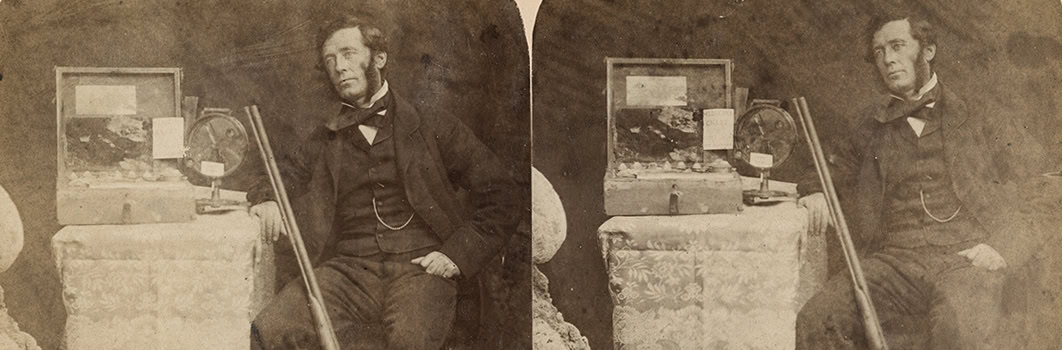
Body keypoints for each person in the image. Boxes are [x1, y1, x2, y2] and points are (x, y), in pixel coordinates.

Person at [248, 14, 519, 350]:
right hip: (348, 271)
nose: (339, 67)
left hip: (419, 270)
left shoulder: (432, 124)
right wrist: (268, 198)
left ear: (378, 58)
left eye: (348, 54)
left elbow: (502, 195)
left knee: (410, 341)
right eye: (330, 60)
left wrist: (455, 256)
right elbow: (279, 174)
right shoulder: (326, 135)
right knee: (269, 329)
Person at [794, 13, 1056, 349]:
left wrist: (1003, 247)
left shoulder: (979, 114)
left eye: (897, 46)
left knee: (957, 328)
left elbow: (1047, 183)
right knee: (817, 319)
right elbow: (827, 165)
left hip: (965, 259)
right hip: (892, 263)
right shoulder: (869, 122)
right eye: (878, 52)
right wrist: (816, 190)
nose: (888, 59)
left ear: (928, 51)